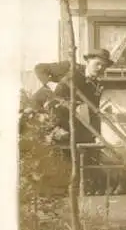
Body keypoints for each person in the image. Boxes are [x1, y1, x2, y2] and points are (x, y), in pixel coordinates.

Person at [32, 48, 114, 194]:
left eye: (104, 66)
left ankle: (80, 185)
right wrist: (50, 84)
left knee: (85, 141)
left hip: (65, 115)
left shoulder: (95, 85)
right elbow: (39, 68)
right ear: (88, 61)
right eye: (97, 64)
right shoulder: (69, 67)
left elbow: (93, 112)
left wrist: (96, 137)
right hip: (44, 108)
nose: (100, 68)